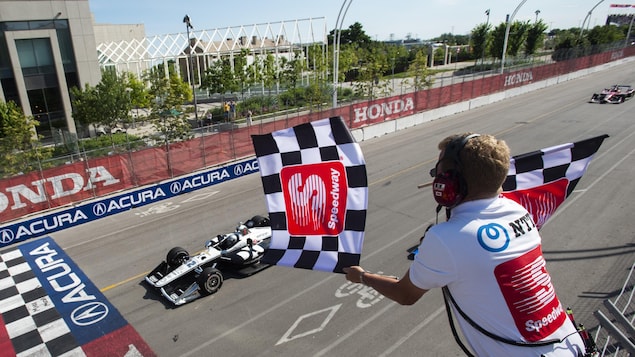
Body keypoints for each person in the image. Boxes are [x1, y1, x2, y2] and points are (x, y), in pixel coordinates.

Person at [344, 133, 586, 356]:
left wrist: (362, 276)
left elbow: (405, 294)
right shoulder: (519, 210)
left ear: (449, 182)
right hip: (569, 342)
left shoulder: (446, 238)